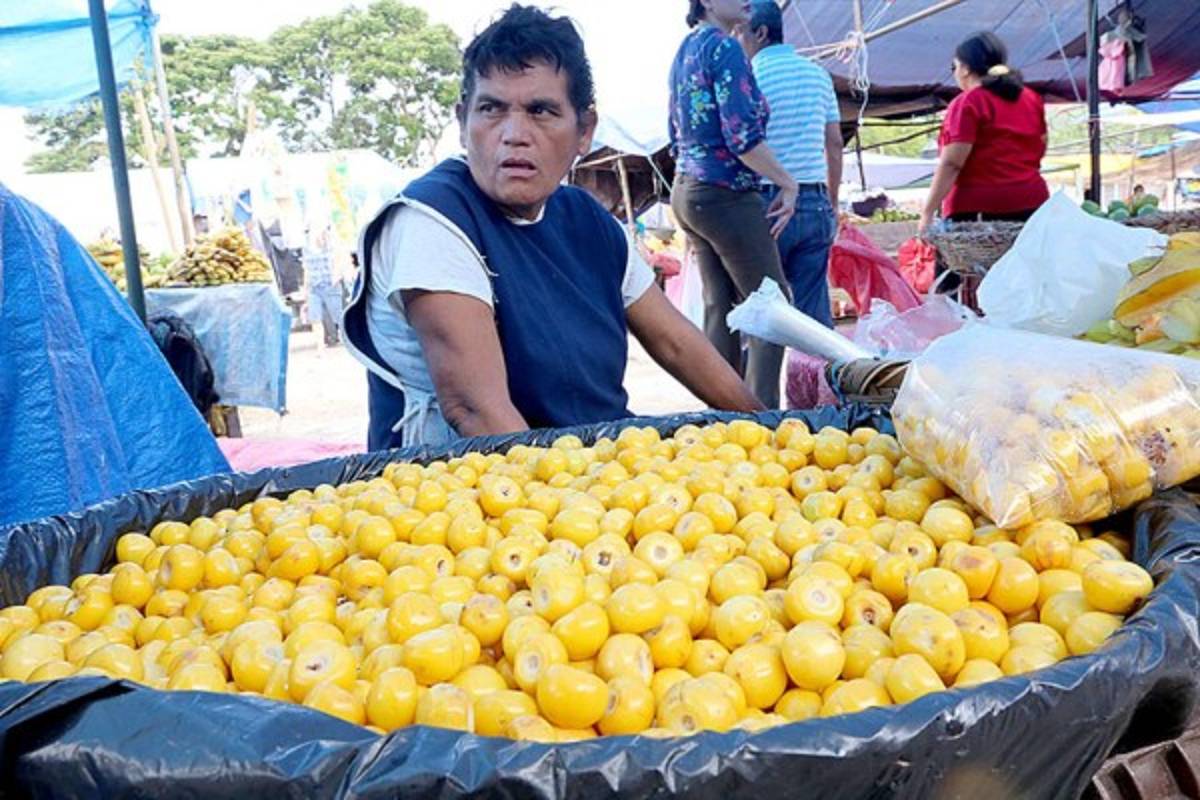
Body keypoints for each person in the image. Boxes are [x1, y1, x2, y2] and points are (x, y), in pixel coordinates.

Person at [344, 4, 762, 451]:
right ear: (462, 122)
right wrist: (582, 505)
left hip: (584, 470)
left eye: (540, 111)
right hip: (475, 492)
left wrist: (769, 430)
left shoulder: (589, 222)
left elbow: (678, 344)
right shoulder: (433, 221)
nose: (514, 133)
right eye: (491, 109)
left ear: (585, 130)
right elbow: (474, 410)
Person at [669, 0, 799, 408]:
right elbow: (742, 137)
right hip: (725, 193)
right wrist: (787, 182)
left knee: (720, 306)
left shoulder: (685, 49)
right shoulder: (725, 48)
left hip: (688, 190)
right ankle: (760, 417)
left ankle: (721, 416)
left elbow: (674, 130)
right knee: (773, 306)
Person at [738, 1, 843, 329]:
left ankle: (763, 382)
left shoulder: (749, 77)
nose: (737, 40)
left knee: (766, 311)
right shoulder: (818, 74)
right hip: (814, 202)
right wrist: (833, 200)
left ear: (761, 32)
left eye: (741, 31)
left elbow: (743, 143)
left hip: (767, 204)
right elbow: (835, 143)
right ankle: (822, 380)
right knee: (814, 313)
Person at [919, 32, 1050, 231]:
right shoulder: (1031, 98)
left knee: (974, 262)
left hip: (978, 210)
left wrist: (927, 212)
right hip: (1033, 203)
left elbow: (952, 163)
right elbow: (1041, 144)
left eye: (954, 66)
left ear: (964, 69)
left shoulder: (968, 103)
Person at [303, 223, 343, 349]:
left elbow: (339, 262)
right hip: (313, 287)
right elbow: (305, 269)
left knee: (338, 316)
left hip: (329, 285)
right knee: (315, 318)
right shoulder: (306, 249)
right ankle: (319, 345)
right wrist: (305, 289)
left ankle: (347, 339)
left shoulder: (331, 247)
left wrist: (335, 279)